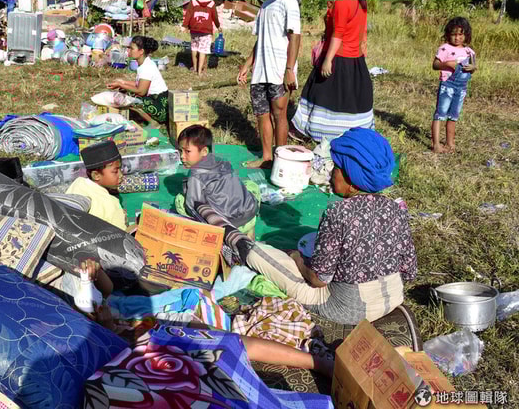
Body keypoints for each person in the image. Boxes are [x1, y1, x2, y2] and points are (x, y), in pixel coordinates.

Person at [239, 128, 417, 325]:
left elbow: (318, 280)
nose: (331, 173)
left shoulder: (339, 213)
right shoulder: (396, 208)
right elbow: (409, 271)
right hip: (394, 298)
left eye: (336, 167)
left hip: (349, 310)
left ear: (352, 180)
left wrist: (296, 257)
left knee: (255, 252)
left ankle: (240, 243)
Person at [78, 258, 334, 378]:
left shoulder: (111, 308)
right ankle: (317, 362)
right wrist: (109, 327)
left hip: (181, 311)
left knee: (231, 334)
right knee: (231, 342)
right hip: (176, 325)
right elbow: (138, 338)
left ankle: (317, 361)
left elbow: (109, 293)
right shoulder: (113, 344)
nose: (99, 309)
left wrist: (96, 272)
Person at [291, 0, 373, 142]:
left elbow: (338, 34)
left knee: (318, 93)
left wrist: (328, 59)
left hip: (339, 56)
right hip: (355, 59)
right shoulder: (361, 2)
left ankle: (312, 131)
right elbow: (362, 32)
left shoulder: (342, 2)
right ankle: (350, 133)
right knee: (348, 97)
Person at [237, 0, 302, 169]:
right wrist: (247, 65)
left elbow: (295, 37)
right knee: (261, 114)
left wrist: (289, 69)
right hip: (260, 71)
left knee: (279, 114)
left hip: (279, 70)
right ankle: (267, 158)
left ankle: (280, 160)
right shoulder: (265, 5)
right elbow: (260, 40)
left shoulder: (289, 3)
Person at [174, 125, 260, 239]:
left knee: (180, 201)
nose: (182, 156)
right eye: (180, 151)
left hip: (228, 227)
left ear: (204, 151)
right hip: (250, 214)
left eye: (187, 151)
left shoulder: (196, 176)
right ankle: (249, 229)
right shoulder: (221, 162)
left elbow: (193, 206)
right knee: (250, 185)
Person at [431, 17, 477, 153]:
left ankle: (450, 143)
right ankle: (436, 145)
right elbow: (435, 65)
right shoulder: (445, 48)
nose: (457, 38)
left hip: (461, 88)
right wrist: (447, 64)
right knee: (440, 114)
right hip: (447, 85)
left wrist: (473, 68)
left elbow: (473, 67)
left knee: (454, 115)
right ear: (448, 34)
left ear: (466, 35)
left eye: (460, 34)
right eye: (454, 34)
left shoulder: (469, 52)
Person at [106, 36, 169, 125]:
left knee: (129, 97)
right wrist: (123, 82)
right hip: (156, 101)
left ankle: (153, 122)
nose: (129, 51)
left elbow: (141, 91)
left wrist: (121, 84)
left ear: (141, 51)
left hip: (161, 107)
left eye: (132, 49)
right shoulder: (145, 64)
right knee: (124, 91)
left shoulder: (147, 67)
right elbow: (139, 84)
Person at [65, 141, 126, 230]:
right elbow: (123, 234)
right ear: (96, 175)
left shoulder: (78, 183)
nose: (121, 175)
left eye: (120, 169)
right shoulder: (111, 204)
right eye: (115, 171)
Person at [183, 0, 222, 77]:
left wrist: (185, 25)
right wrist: (218, 26)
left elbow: (188, 14)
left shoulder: (193, 0)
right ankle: (199, 72)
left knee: (194, 48)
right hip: (206, 30)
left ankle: (194, 68)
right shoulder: (211, 2)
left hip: (194, 28)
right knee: (203, 50)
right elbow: (215, 17)